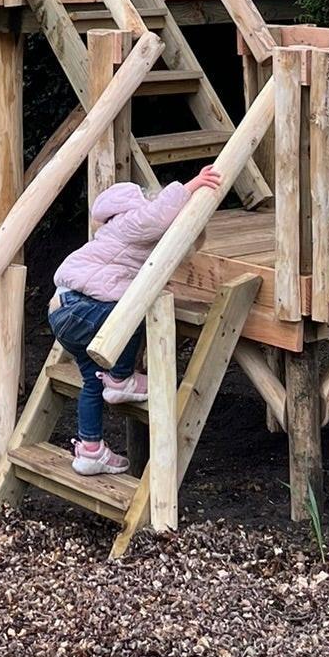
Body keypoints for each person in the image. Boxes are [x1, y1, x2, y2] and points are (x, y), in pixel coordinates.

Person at [49, 165, 224, 475]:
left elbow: (131, 272)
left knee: (92, 380)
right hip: (79, 307)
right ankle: (120, 377)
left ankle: (91, 450)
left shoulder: (114, 236)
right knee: (134, 312)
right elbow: (156, 216)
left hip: (63, 310)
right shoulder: (130, 221)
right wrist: (193, 184)